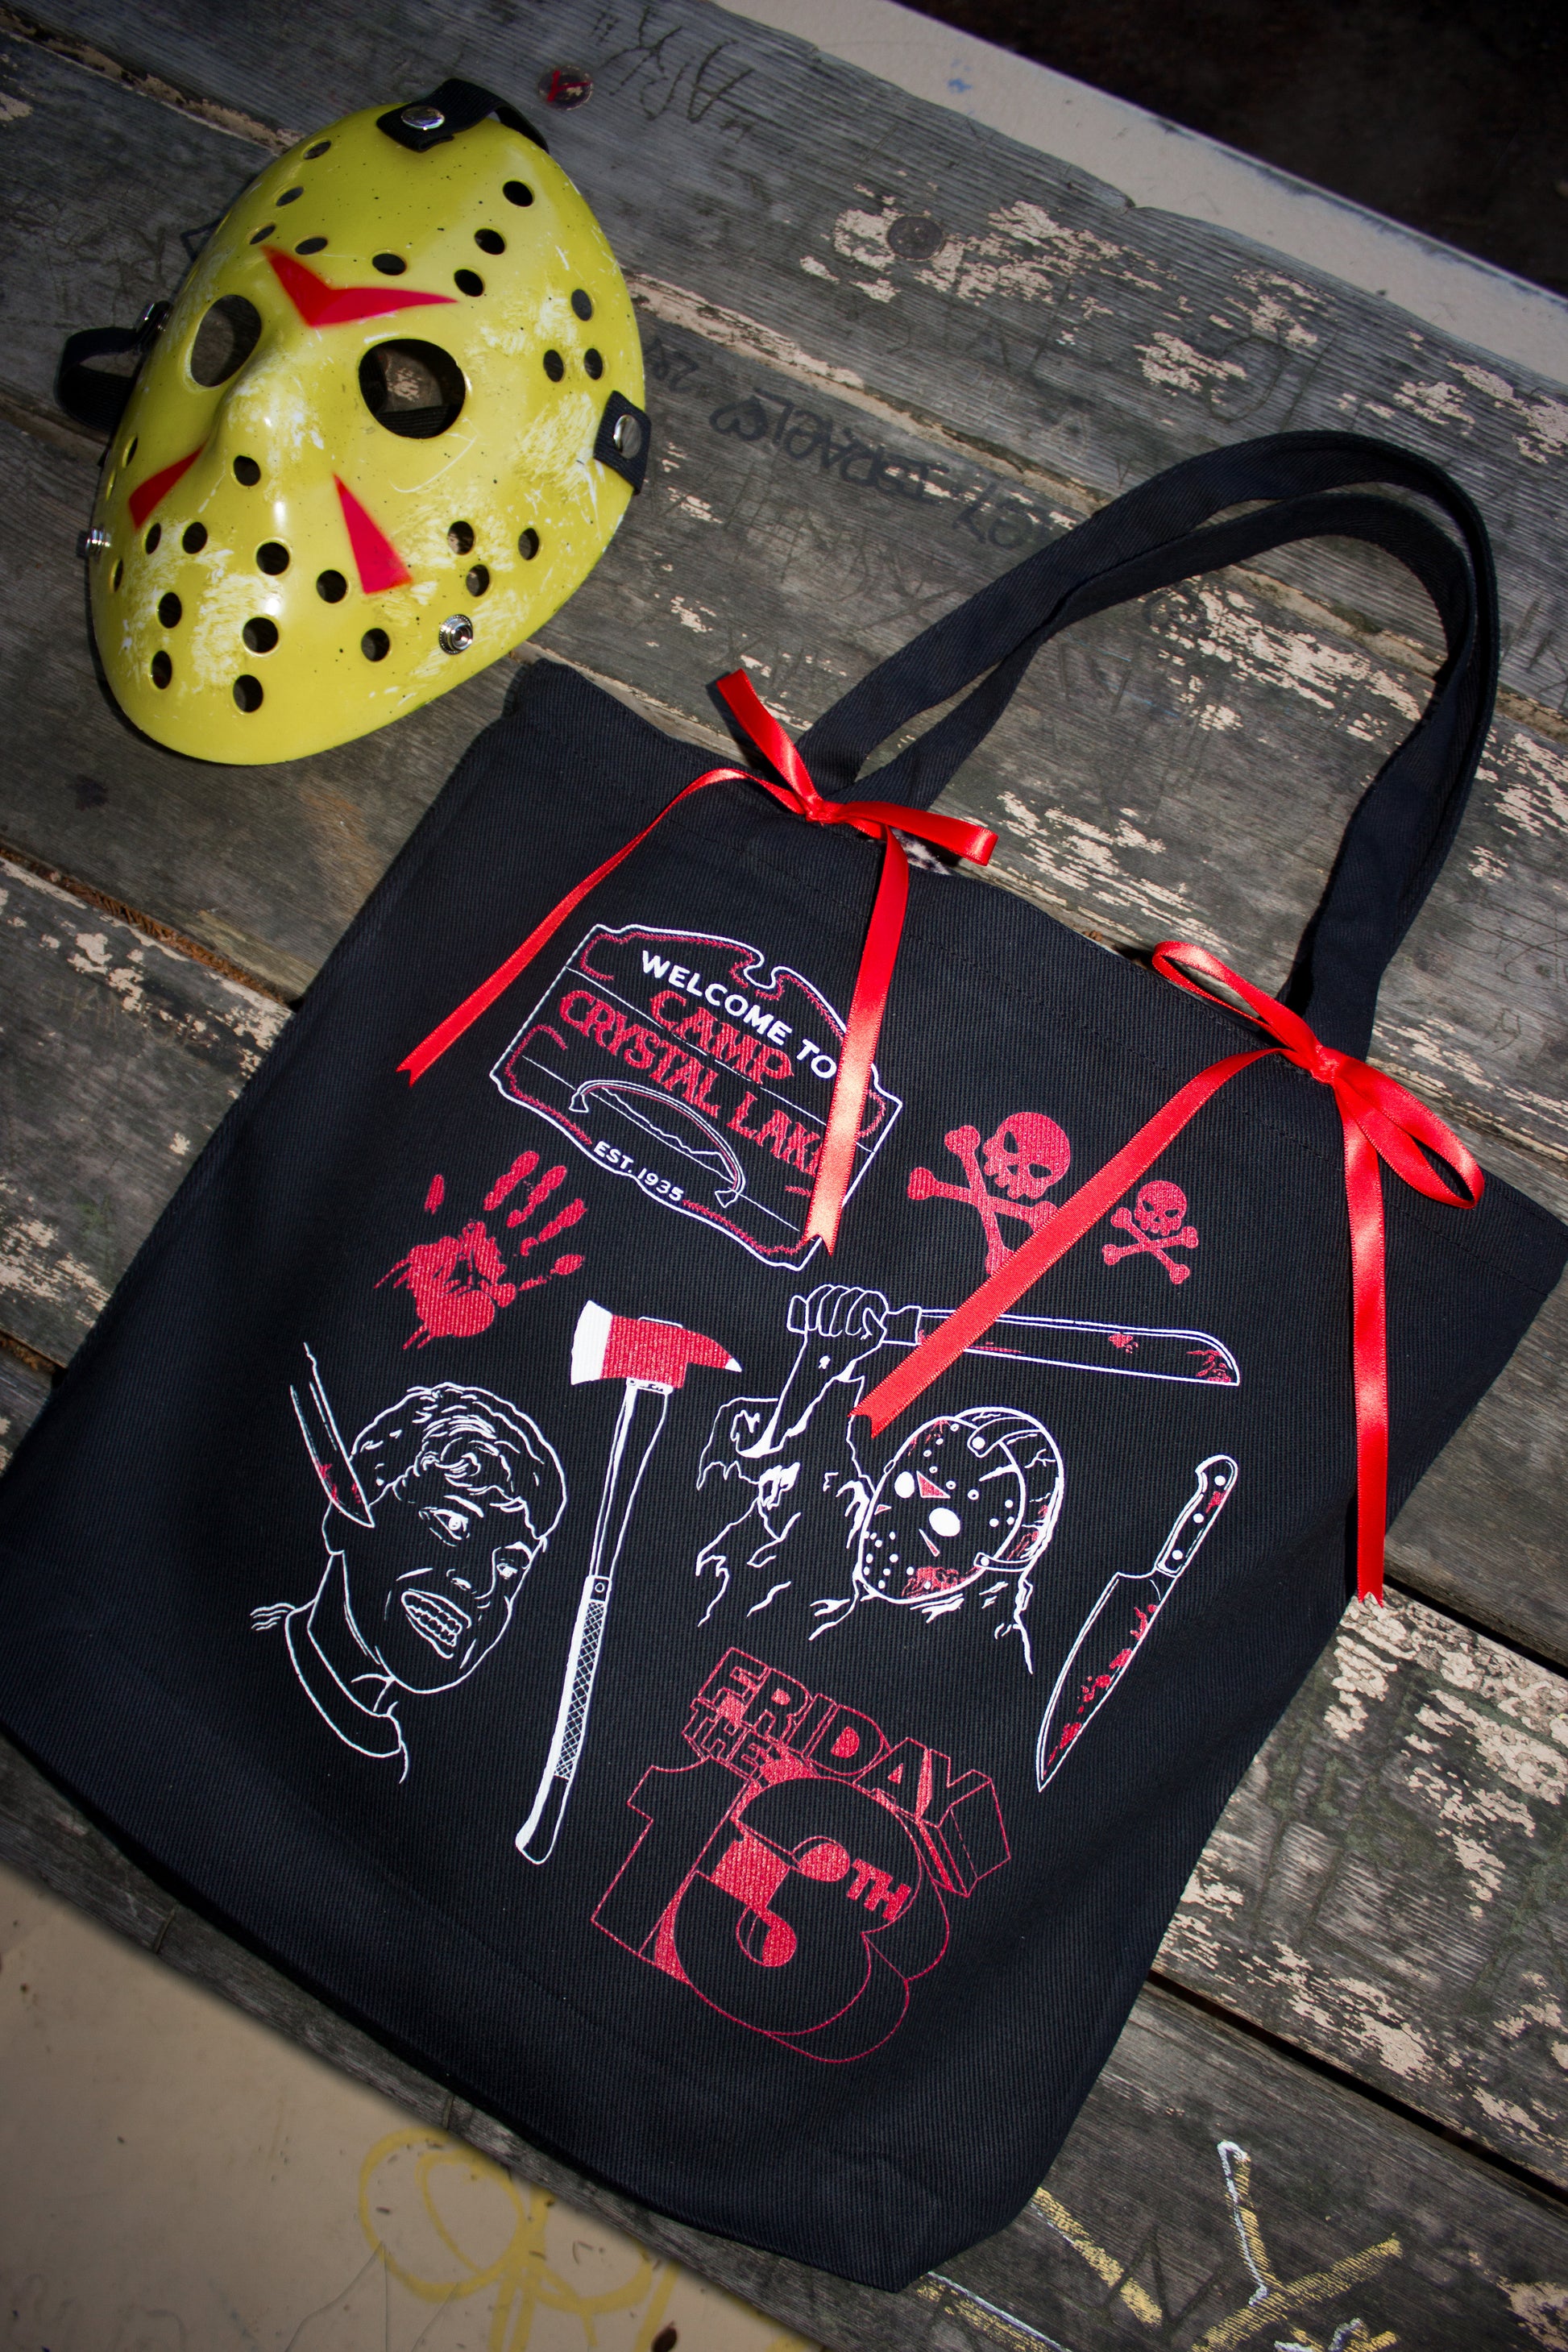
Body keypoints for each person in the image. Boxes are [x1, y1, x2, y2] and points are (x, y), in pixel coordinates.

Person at [255, 1379, 566, 1777]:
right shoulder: (232, 1651)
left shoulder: (401, 1768)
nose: (481, 1584)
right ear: (345, 1517)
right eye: (451, 1523)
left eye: (509, 1566)